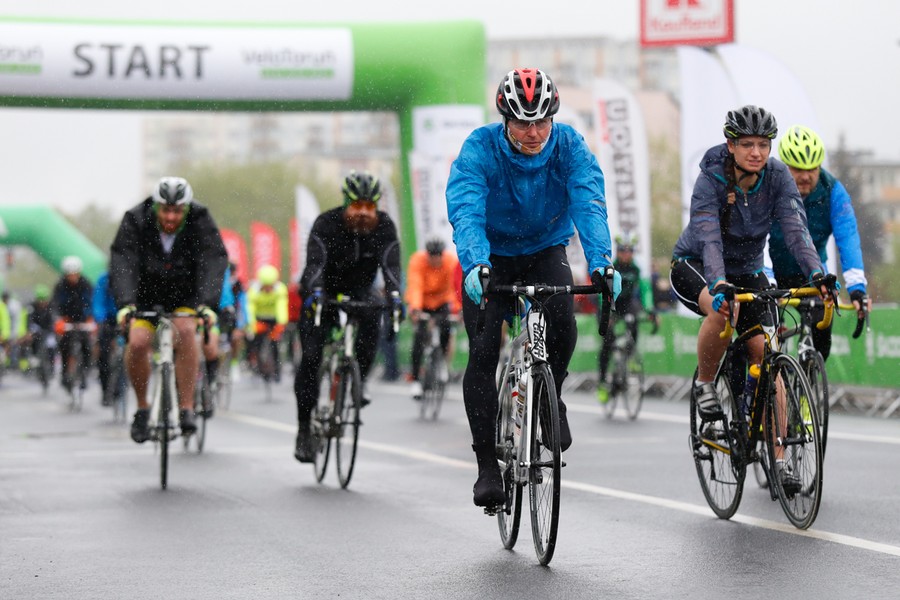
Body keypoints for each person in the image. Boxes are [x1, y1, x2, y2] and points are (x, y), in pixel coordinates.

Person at [446, 67, 621, 508]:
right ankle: (487, 464)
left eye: (542, 121)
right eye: (523, 122)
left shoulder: (569, 147)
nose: (534, 132)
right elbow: (465, 207)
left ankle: (550, 396)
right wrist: (474, 264)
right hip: (491, 255)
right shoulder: (480, 148)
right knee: (484, 350)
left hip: (545, 248)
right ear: (505, 119)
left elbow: (589, 200)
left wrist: (601, 262)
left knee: (563, 323)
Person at [669, 106, 834, 490]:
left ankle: (779, 461)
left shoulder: (777, 178)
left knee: (768, 353)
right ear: (731, 145)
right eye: (747, 144)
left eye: (763, 144)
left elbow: (796, 230)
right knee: (721, 310)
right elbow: (709, 237)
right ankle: (706, 383)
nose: (756, 152)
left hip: (747, 269)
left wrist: (817, 273)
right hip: (696, 263)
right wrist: (719, 283)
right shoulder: (711, 177)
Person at [292, 170, 404, 463]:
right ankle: (304, 428)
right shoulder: (326, 224)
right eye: (358, 206)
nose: (364, 213)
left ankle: (359, 379)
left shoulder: (384, 227)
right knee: (312, 357)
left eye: (370, 206)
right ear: (346, 203)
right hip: (323, 290)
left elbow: (392, 268)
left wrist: (394, 297)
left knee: (372, 325)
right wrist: (315, 292)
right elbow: (314, 264)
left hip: (360, 291)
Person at [110, 176, 228, 443]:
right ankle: (142, 409)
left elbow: (213, 259)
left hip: (184, 293)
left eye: (177, 211)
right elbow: (122, 260)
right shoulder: (135, 219)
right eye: (165, 210)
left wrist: (208, 305)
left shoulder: (200, 219)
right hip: (144, 294)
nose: (171, 217)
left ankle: (186, 408)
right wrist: (125, 303)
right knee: (138, 342)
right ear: (155, 207)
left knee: (186, 331)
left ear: (186, 208)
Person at [768, 124, 869, 360]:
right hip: (770, 270)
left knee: (824, 322)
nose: (805, 176)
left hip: (810, 273)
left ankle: (811, 376)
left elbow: (848, 239)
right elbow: (756, 239)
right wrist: (766, 279)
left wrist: (857, 289)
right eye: (797, 169)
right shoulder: (769, 187)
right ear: (785, 166)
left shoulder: (833, 191)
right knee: (761, 344)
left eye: (812, 168)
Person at [596, 233, 659, 404]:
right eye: (622, 250)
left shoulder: (637, 269)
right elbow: (603, 294)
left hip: (627, 304)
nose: (626, 254)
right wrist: (606, 314)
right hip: (609, 304)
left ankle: (630, 357)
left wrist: (651, 310)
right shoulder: (612, 267)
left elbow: (645, 291)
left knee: (634, 322)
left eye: (629, 250)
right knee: (608, 342)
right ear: (617, 252)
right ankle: (602, 382)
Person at [404, 236, 461, 399]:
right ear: (427, 254)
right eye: (432, 256)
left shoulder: (450, 261)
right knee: (420, 337)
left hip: (442, 301)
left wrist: (456, 309)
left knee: (446, 328)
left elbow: (454, 288)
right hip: (422, 301)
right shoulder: (417, 261)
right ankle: (415, 379)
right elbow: (415, 285)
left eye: (438, 256)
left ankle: (442, 361)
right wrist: (415, 308)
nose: (435, 259)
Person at [51, 256, 94, 393]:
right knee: (64, 346)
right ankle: (65, 374)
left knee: (87, 346)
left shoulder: (86, 284)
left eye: (75, 274)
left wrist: (90, 318)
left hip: (82, 320)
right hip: (67, 321)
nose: (72, 277)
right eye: (69, 274)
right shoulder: (60, 286)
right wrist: (58, 319)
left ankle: (84, 374)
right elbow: (55, 304)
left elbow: (91, 302)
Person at [245, 264, 289, 382]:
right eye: (266, 286)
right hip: (259, 318)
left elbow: (281, 307)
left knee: (275, 344)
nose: (268, 289)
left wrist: (281, 324)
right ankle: (259, 367)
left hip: (274, 318)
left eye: (270, 286)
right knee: (257, 344)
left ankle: (277, 370)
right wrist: (252, 324)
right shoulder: (254, 290)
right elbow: (250, 308)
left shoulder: (280, 289)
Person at [92, 271, 125, 406]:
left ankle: (123, 382)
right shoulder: (103, 280)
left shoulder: (128, 275)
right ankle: (106, 390)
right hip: (109, 319)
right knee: (104, 355)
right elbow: (98, 302)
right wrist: (100, 318)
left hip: (126, 317)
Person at [26, 284, 56, 377]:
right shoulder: (32, 307)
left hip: (49, 330)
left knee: (52, 345)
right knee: (33, 342)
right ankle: (34, 360)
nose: (42, 302)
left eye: (44, 299)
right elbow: (29, 320)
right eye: (40, 299)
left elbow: (53, 320)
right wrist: (30, 331)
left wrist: (52, 330)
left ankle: (51, 365)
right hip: (37, 331)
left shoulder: (52, 306)